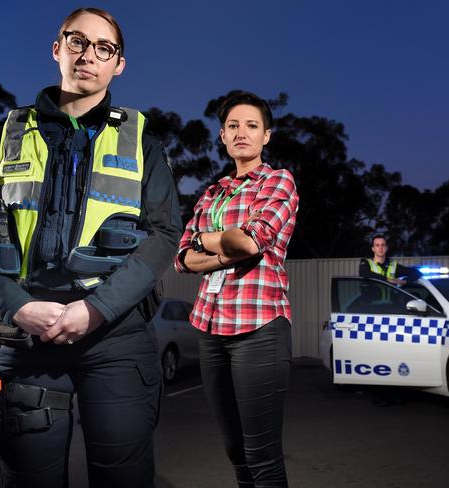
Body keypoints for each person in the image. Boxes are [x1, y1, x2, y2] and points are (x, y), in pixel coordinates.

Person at [0, 7, 182, 487]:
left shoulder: (143, 145)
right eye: (77, 41)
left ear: (119, 64)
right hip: (23, 341)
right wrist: (17, 308)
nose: (88, 56)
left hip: (115, 338)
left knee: (125, 478)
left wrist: (95, 310)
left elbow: (164, 235)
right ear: (57, 49)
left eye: (104, 48)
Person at [174, 91, 299, 487]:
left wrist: (205, 241)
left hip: (258, 328)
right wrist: (225, 247)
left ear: (266, 136)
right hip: (209, 329)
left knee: (262, 457)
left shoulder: (278, 180)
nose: (241, 132)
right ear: (223, 137)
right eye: (232, 126)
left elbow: (252, 241)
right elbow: (182, 258)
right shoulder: (213, 193)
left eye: (251, 125)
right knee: (236, 454)